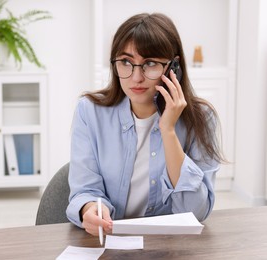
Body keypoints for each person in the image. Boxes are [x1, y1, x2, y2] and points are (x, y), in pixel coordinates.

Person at [66, 13, 226, 236]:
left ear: (174, 67)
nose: (136, 77)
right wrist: (90, 208)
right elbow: (85, 190)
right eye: (126, 62)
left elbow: (194, 213)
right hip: (110, 242)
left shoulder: (202, 118)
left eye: (149, 63)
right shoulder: (90, 112)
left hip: (171, 246)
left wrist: (168, 130)